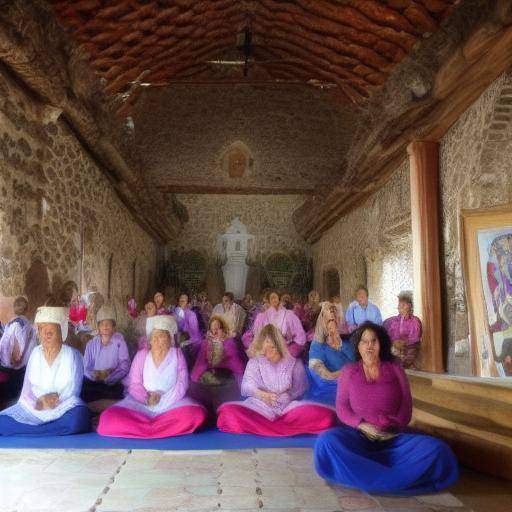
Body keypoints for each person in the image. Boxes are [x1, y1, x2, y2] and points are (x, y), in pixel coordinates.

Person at [314, 322, 458, 495]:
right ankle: (397, 479)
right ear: (357, 346)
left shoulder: (395, 369)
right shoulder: (348, 371)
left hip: (393, 439)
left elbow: (406, 407)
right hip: (359, 437)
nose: (369, 346)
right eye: (364, 342)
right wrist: (361, 425)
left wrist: (391, 427)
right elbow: (342, 407)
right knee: (326, 442)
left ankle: (368, 478)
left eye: (373, 341)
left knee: (439, 450)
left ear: (380, 344)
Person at [97, 315, 206, 438]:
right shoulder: (142, 355)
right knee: (108, 418)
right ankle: (161, 429)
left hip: (172, 404)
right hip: (143, 404)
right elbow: (134, 384)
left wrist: (165, 400)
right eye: (153, 337)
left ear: (170, 339)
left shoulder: (177, 354)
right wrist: (146, 398)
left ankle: (146, 429)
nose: (154, 340)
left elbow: (182, 383)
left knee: (195, 414)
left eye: (160, 336)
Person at [217, 324, 336, 436]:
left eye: (274, 342)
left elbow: (301, 388)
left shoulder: (293, 362)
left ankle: (273, 425)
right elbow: (246, 386)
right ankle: (276, 426)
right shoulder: (255, 362)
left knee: (325, 416)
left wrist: (286, 396)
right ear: (261, 344)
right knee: (227, 412)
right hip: (260, 408)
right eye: (267, 341)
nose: (270, 346)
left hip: (287, 410)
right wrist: (263, 395)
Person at [0, 307, 90, 436]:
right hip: (35, 408)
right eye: (43, 330)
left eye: (52, 330)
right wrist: (39, 403)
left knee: (78, 419)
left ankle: (30, 431)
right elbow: (26, 391)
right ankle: (49, 431)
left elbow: (74, 391)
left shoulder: (72, 355)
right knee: (2, 422)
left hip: (63, 408)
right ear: (39, 333)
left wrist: (53, 399)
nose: (47, 334)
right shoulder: (35, 353)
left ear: (61, 333)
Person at [81, 305, 130, 410]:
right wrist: (95, 375)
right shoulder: (91, 344)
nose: (105, 326)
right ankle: (99, 408)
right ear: (98, 327)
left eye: (109, 323)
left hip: (113, 382)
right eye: (102, 323)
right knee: (83, 390)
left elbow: (125, 365)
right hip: (94, 381)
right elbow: (86, 366)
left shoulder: (120, 342)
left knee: (118, 391)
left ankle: (101, 407)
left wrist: (110, 377)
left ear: (114, 327)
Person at [306, 317, 355, 405]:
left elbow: (356, 362)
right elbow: (325, 375)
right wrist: (346, 372)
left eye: (334, 331)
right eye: (328, 331)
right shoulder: (319, 347)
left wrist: (340, 344)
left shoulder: (345, 344)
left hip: (352, 383)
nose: (331, 334)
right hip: (334, 387)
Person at [246, 290, 306, 358]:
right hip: (267, 347)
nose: (274, 299)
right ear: (269, 301)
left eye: (275, 297)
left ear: (279, 298)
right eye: (271, 298)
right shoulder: (263, 316)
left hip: (283, 346)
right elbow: (258, 333)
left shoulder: (288, 314)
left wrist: (293, 346)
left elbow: (299, 333)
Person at [0, 296, 37, 402]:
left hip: (14, 373)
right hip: (26, 371)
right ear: (27, 309)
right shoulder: (30, 326)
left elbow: (15, 358)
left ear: (14, 308)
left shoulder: (14, 325)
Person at [191, 316, 245, 387]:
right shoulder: (205, 343)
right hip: (212, 380)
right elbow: (200, 363)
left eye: (217, 328)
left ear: (223, 329)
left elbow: (236, 364)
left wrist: (220, 344)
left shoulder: (230, 342)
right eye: (212, 329)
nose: (215, 331)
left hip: (231, 378)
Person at [384, 291, 422, 369]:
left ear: (410, 306)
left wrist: (403, 345)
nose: (400, 306)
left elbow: (414, 342)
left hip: (408, 351)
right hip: (396, 351)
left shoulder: (415, 321)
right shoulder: (392, 321)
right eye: (399, 304)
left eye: (403, 304)